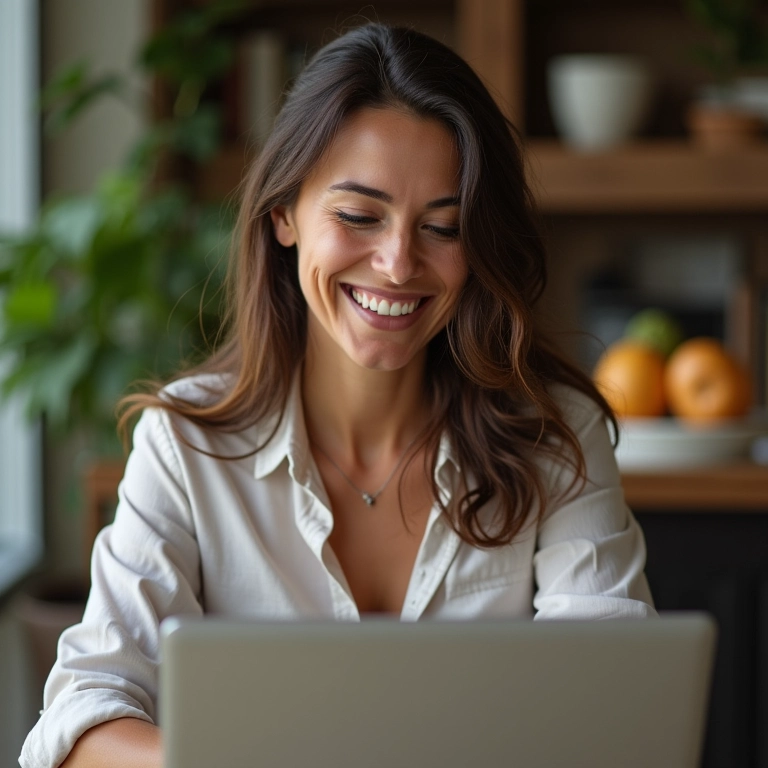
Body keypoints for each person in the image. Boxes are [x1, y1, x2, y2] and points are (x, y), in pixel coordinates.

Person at [20, 22, 656, 768]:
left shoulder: (553, 434)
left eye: (443, 228)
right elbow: (78, 724)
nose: (396, 264)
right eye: (358, 216)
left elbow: (615, 712)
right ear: (284, 214)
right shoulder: (186, 447)